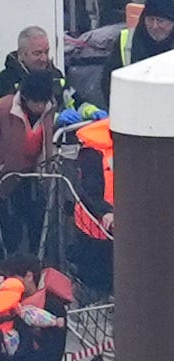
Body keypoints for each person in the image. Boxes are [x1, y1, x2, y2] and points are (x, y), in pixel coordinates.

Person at [0, 71, 57, 257]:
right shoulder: (2, 109)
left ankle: (34, 264)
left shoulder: (49, 108)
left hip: (32, 176)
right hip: (3, 178)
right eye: (36, 102)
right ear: (25, 98)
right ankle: (7, 265)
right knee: (9, 231)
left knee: (36, 224)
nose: (40, 106)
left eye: (43, 102)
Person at [0, 26, 104, 124]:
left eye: (46, 52)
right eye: (37, 53)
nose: (44, 59)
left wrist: (91, 111)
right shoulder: (5, 80)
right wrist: (55, 118)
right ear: (21, 54)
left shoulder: (55, 75)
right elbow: (20, 115)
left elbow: (73, 99)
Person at [101, 0, 174, 106]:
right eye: (150, 19)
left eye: (161, 21)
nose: (154, 26)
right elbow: (108, 83)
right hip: (133, 113)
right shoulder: (126, 40)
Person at [72, 118, 114, 293]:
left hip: (122, 222)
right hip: (95, 225)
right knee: (95, 278)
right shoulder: (93, 153)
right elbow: (89, 191)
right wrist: (106, 212)